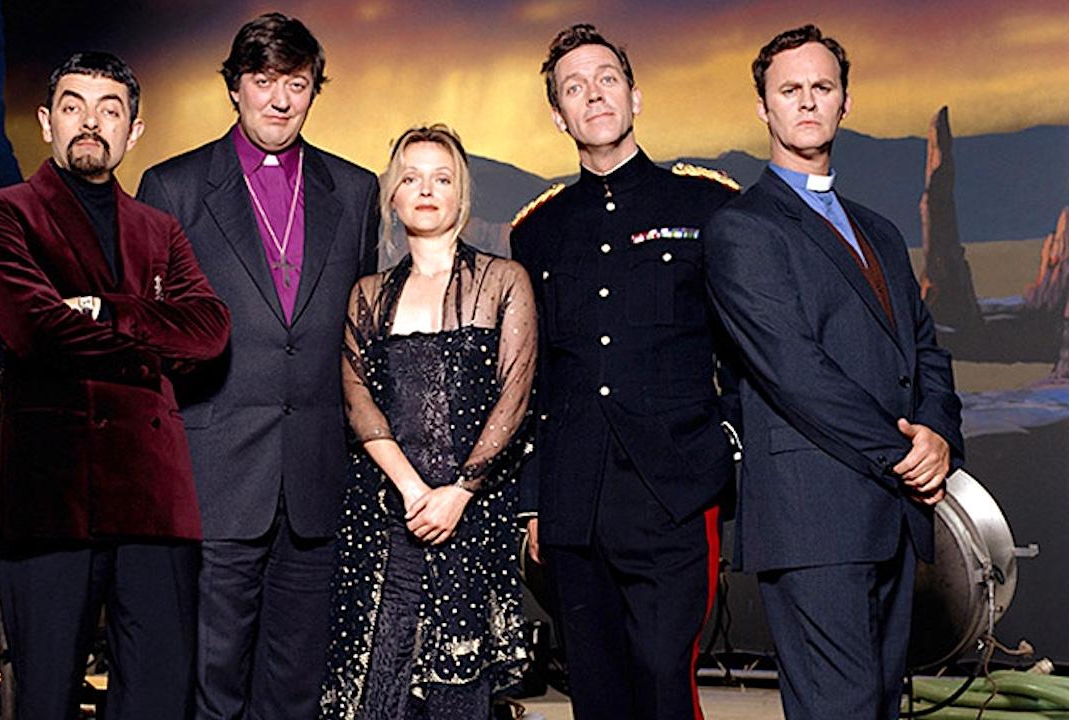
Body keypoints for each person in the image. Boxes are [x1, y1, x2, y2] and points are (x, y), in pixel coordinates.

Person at [703, 25, 964, 720]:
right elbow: (794, 371)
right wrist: (904, 454)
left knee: (877, 708)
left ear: (845, 101)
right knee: (838, 710)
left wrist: (939, 434)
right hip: (813, 517)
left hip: (893, 512)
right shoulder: (742, 228)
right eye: (789, 89)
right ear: (763, 108)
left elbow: (924, 351)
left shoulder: (878, 230)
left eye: (822, 87)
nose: (807, 101)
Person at [0, 51, 230, 719]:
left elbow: (209, 331)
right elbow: (36, 329)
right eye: (73, 106)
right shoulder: (1, 214)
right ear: (46, 122)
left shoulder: (160, 229)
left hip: (153, 499)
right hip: (52, 497)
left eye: (109, 110)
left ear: (133, 131)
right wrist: (151, 348)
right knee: (45, 701)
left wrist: (106, 311)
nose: (91, 122)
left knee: (158, 701)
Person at [136, 13, 380, 720]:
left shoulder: (355, 190)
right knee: (213, 680)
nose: (280, 100)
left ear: (313, 92)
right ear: (235, 87)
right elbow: (151, 339)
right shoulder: (173, 187)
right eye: (264, 81)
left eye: (296, 84)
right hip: (215, 472)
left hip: (315, 474)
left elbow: (354, 335)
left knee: (297, 684)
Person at [509, 23, 742, 720]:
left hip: (672, 487)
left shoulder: (706, 205)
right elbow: (537, 377)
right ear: (559, 115)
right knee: (597, 691)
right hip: (574, 497)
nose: (594, 95)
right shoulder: (536, 231)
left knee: (665, 681)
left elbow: (742, 348)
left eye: (607, 79)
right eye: (574, 87)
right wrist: (533, 500)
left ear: (634, 96)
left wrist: (724, 450)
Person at [319, 124, 535, 720]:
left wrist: (458, 492)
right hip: (383, 511)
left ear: (461, 194)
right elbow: (357, 400)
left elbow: (515, 396)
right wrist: (413, 490)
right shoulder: (366, 294)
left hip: (471, 512)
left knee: (456, 692)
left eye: (441, 179)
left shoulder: (504, 280)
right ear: (392, 195)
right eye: (410, 178)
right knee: (375, 685)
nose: (426, 190)